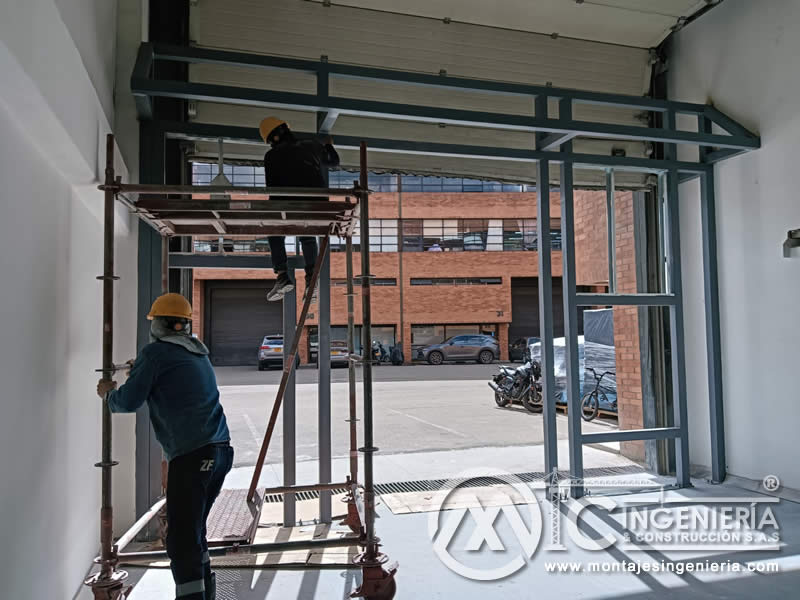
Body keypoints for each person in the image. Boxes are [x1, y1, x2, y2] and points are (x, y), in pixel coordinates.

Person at [96, 293, 231, 600]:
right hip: (221, 451)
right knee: (194, 532)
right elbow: (172, 381)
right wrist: (141, 370)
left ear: (157, 324)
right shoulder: (197, 351)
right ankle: (204, 593)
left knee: (181, 541)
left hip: (193, 455)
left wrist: (108, 394)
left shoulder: (155, 354)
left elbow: (128, 401)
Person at [259, 116, 340, 303]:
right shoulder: (311, 145)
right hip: (317, 206)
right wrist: (328, 145)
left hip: (288, 205)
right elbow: (334, 161)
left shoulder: (270, 156)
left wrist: (275, 214)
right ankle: (311, 276)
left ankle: (282, 275)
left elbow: (272, 187)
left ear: (271, 139)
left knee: (275, 232)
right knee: (307, 233)